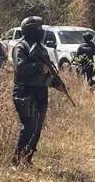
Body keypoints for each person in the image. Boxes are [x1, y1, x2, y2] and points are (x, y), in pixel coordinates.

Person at [11, 16, 62, 165]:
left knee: (37, 128)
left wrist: (55, 83)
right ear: (30, 30)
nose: (41, 31)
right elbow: (20, 69)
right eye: (38, 28)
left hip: (41, 92)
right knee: (29, 127)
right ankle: (17, 160)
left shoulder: (41, 48)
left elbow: (47, 72)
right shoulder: (21, 47)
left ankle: (27, 160)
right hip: (25, 92)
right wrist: (39, 67)